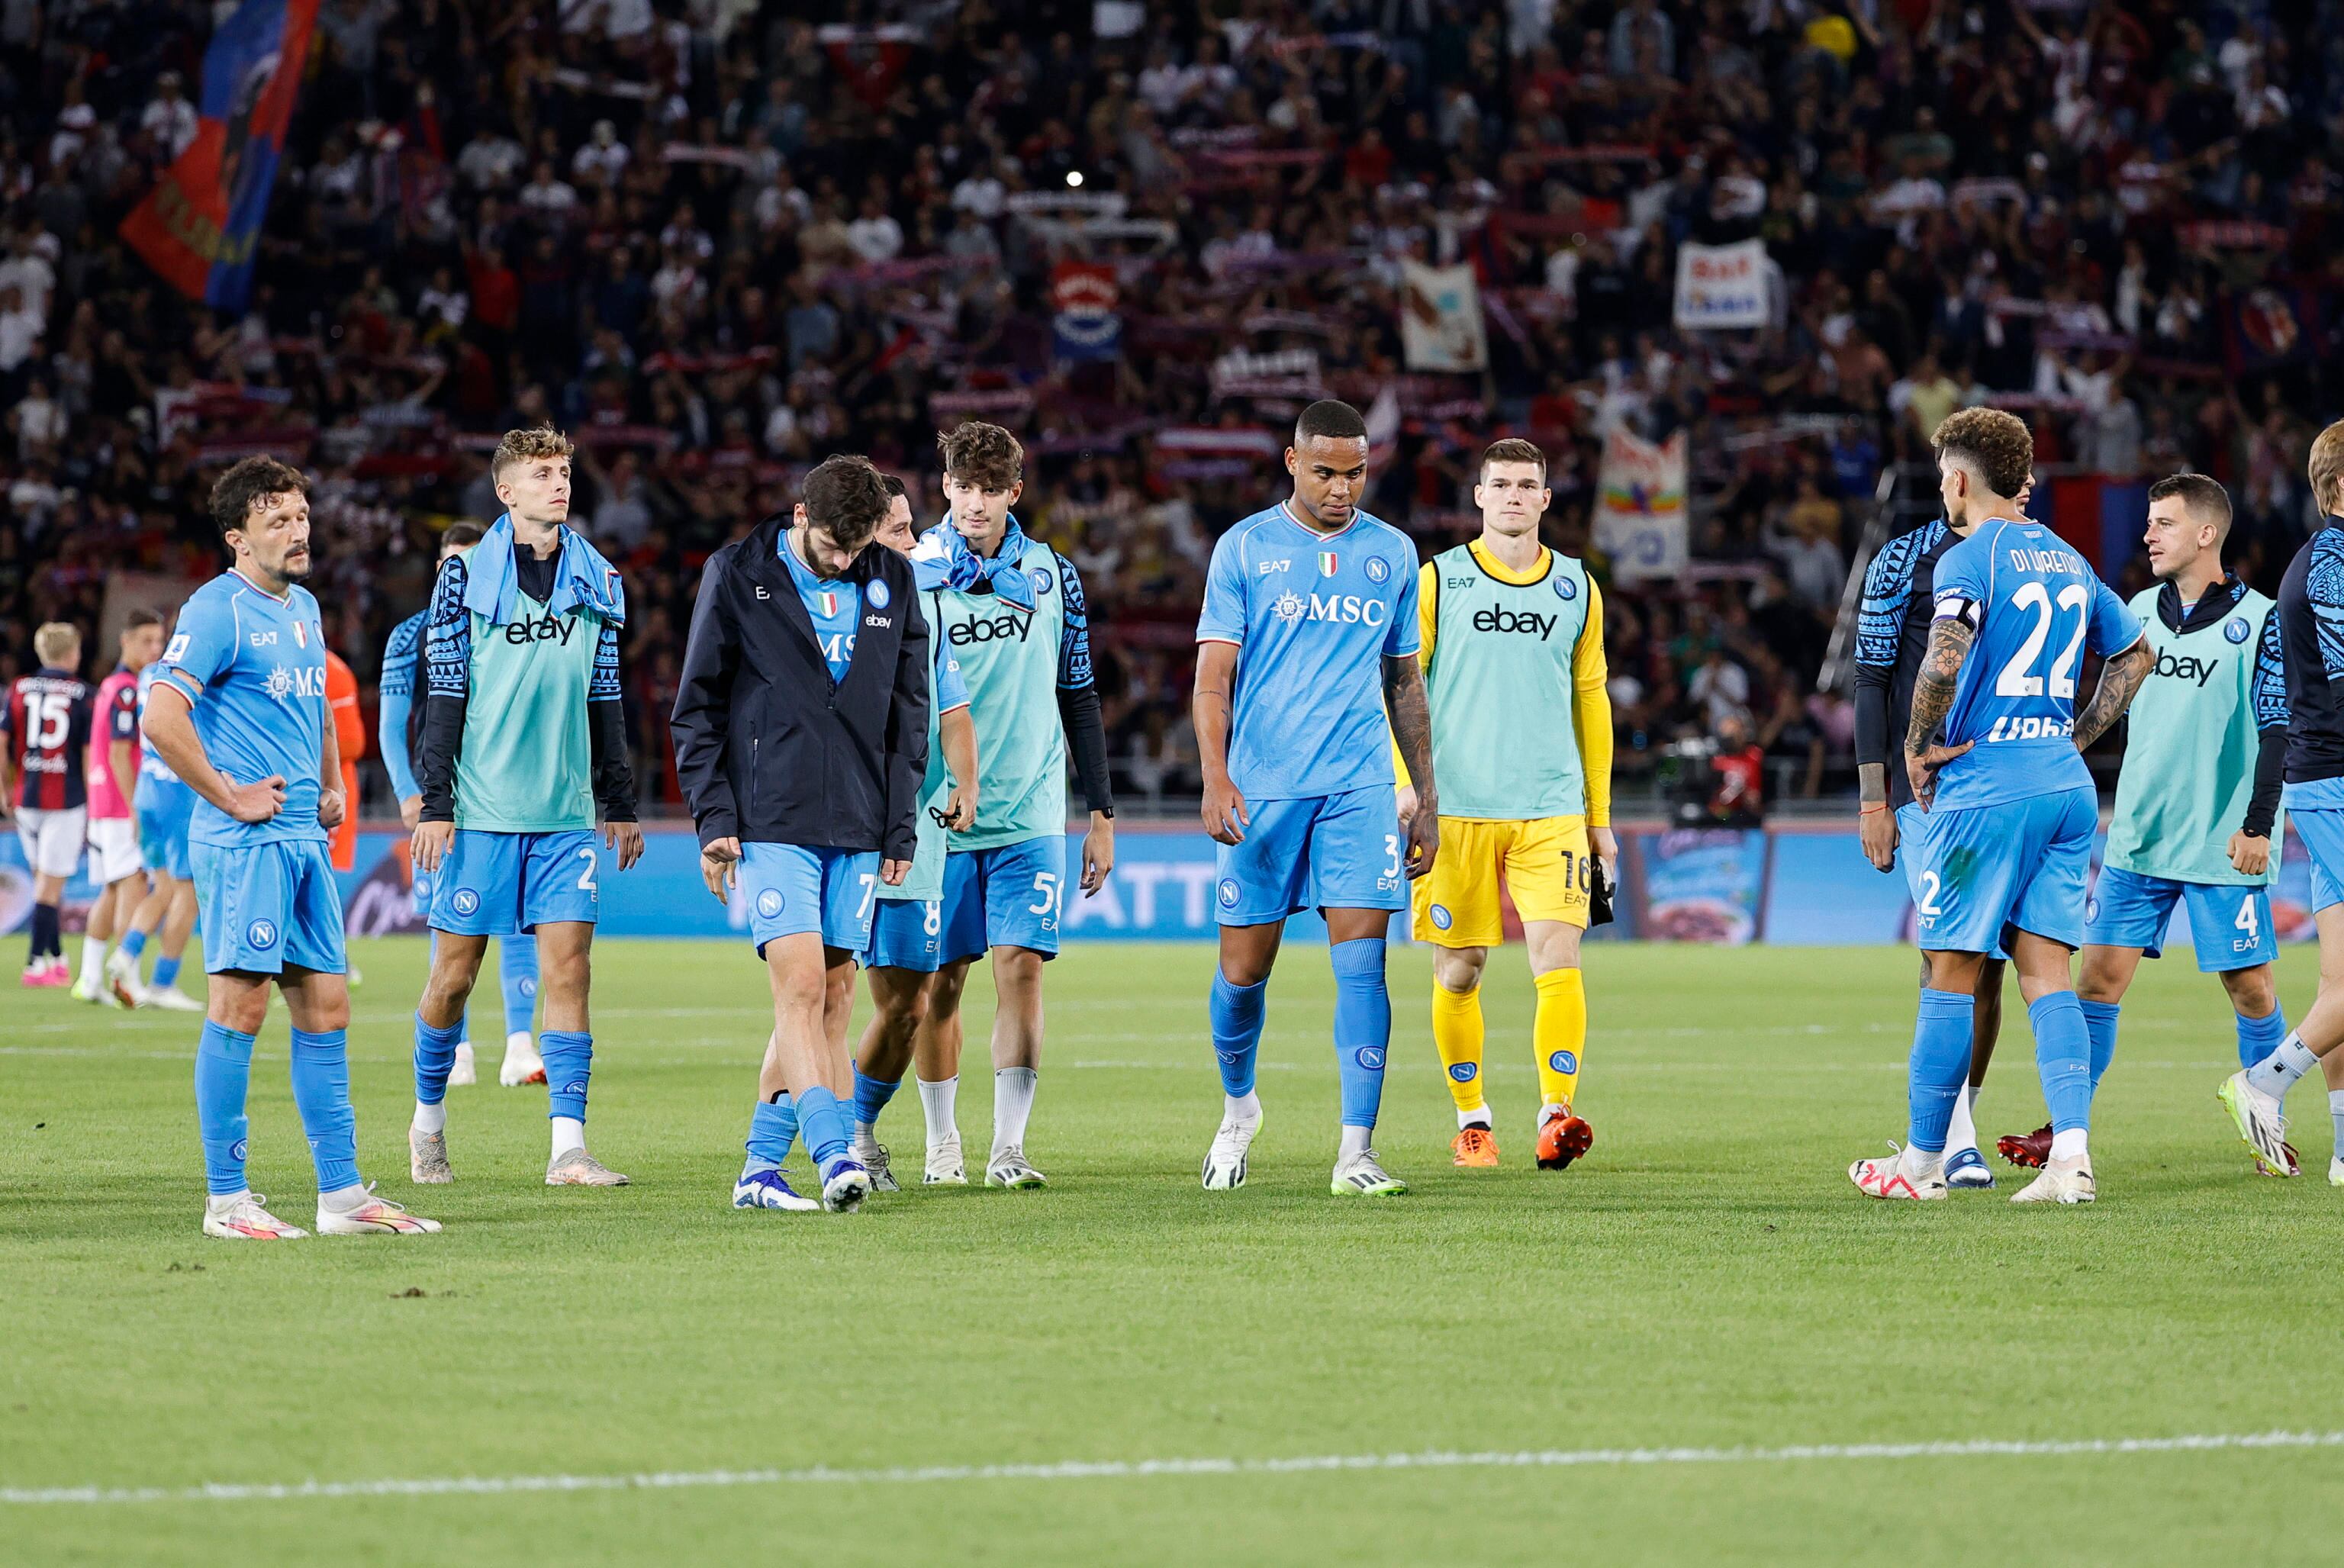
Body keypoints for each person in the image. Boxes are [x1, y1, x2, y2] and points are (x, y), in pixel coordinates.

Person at [1849, 408, 2150, 1206]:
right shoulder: (2067, 556)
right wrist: (2073, 737)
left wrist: (1917, 747)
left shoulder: (1967, 558)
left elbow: (1942, 663)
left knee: (1951, 970)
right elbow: (2136, 653)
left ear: (1957, 479)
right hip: (2063, 786)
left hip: (1985, 787)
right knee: (2047, 972)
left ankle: (1922, 1164)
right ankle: (2071, 1160)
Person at [141, 455, 437, 1239]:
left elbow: (315, 713)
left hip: (302, 836)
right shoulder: (217, 610)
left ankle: (341, 1196)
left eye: (302, 517)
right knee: (239, 1007)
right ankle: (226, 1200)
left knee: (326, 1006)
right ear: (238, 538)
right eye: (278, 521)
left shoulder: (303, 606)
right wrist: (230, 793)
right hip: (246, 843)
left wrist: (331, 781)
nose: (298, 531)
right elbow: (161, 717)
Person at [2006, 475, 2308, 1174]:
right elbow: (2106, 706)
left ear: (2206, 533)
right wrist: (2064, 751)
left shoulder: (2261, 619)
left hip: (2222, 841)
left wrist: (2258, 824)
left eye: (2163, 523)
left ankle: (2266, 1116)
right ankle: (2065, 1128)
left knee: (2251, 988)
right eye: (2149, 522)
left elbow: (2277, 729)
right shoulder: (2137, 610)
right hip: (2138, 837)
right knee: (2097, 984)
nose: (2148, 535)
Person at [671, 453, 931, 1215]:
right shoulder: (737, 573)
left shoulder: (893, 579)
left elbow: (908, 713)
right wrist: (715, 818)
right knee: (801, 988)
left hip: (859, 818)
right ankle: (831, 1152)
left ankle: (759, 1168)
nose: (846, 562)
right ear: (800, 517)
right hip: (772, 818)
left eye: (858, 548)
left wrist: (899, 828)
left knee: (837, 999)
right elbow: (697, 705)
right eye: (833, 547)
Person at [1193, 398, 1439, 1196]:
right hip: (1262, 789)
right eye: (1327, 471)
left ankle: (1355, 1152)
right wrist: (1215, 775)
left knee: (1365, 967)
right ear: (1292, 462)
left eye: (1356, 473)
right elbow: (1213, 677)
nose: (1342, 488)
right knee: (1242, 975)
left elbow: (1405, 682)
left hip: (1359, 786)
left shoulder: (1392, 553)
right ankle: (1239, 1109)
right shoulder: (1245, 548)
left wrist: (1426, 797)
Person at [407, 427, 643, 1189]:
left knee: (570, 969)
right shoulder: (463, 578)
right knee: (454, 977)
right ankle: (427, 1121)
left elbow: (606, 693)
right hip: (481, 813)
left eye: (564, 471)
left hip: (565, 815)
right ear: (505, 491)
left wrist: (618, 799)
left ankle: (568, 1148)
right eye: (541, 473)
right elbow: (445, 692)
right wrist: (436, 803)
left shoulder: (599, 576)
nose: (559, 483)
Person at [888, 421, 1116, 1189]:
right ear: (944, 486)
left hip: (1030, 811)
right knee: (940, 984)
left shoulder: (1054, 576)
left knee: (1021, 972)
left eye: (991, 489)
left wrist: (1102, 814)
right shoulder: (912, 570)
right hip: (938, 816)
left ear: (1015, 492)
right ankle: (941, 1143)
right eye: (964, 487)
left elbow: (1079, 693)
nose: (976, 503)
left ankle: (1008, 1149)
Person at [1393, 438, 1615, 1171]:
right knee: (1460, 969)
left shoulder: (1577, 587)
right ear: (1479, 496)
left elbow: (1592, 700)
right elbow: (1401, 683)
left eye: (1527, 485)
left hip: (1551, 806)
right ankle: (1472, 1121)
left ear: (1545, 499)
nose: (1514, 495)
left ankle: (1556, 1114)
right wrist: (1408, 783)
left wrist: (1599, 818)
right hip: (1454, 808)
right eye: (1501, 484)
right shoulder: (1440, 579)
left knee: (1559, 955)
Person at [1853, 489, 2027, 1189]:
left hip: (2011, 784)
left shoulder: (2036, 557)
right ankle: (1954, 1142)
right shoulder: (1903, 559)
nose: (2026, 489)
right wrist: (1874, 798)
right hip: (1930, 791)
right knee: (1948, 955)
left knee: (1992, 971)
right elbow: (1871, 677)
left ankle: (1961, 1125)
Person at [2219, 420, 2344, 1183]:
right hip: (2337, 780)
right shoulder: (2330, 566)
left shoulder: (2324, 561)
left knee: (2340, 984)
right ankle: (2263, 1081)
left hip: (2326, 780)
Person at [378, 520, 545, 1089]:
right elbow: (391, 724)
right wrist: (410, 792)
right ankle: (459, 1049)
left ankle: (520, 1046)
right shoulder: (411, 635)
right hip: (447, 798)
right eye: (457, 564)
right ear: (440, 569)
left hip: (510, 791)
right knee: (454, 921)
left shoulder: (516, 624)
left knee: (521, 919)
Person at [848, 474, 979, 1190]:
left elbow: (952, 707)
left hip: (915, 831)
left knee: (909, 1005)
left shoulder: (922, 601)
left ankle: (859, 1129)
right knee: (818, 995)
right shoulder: (815, 603)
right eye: (899, 530)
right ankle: (777, 1152)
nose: (914, 540)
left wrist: (966, 781)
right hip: (836, 827)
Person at [111, 624, 205, 1009]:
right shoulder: (192, 673)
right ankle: (163, 983)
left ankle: (126, 953)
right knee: (189, 890)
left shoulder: (149, 674)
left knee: (162, 887)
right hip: (179, 794)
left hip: (148, 790)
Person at [71, 610, 161, 1005]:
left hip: (102, 802)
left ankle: (89, 979)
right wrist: (134, 807)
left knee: (111, 889)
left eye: (159, 641)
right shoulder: (127, 690)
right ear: (125, 640)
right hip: (121, 804)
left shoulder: (109, 685)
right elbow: (120, 754)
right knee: (133, 884)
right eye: (146, 641)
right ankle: (127, 979)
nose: (155, 649)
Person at [2, 622, 93, 987]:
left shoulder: (18, 688)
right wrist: (93, 799)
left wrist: (4, 787)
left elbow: (2, 740)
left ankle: (56, 958)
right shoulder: (83, 694)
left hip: (26, 798)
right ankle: (34, 963)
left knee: (45, 882)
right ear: (73, 653)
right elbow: (88, 753)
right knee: (49, 887)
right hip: (66, 801)